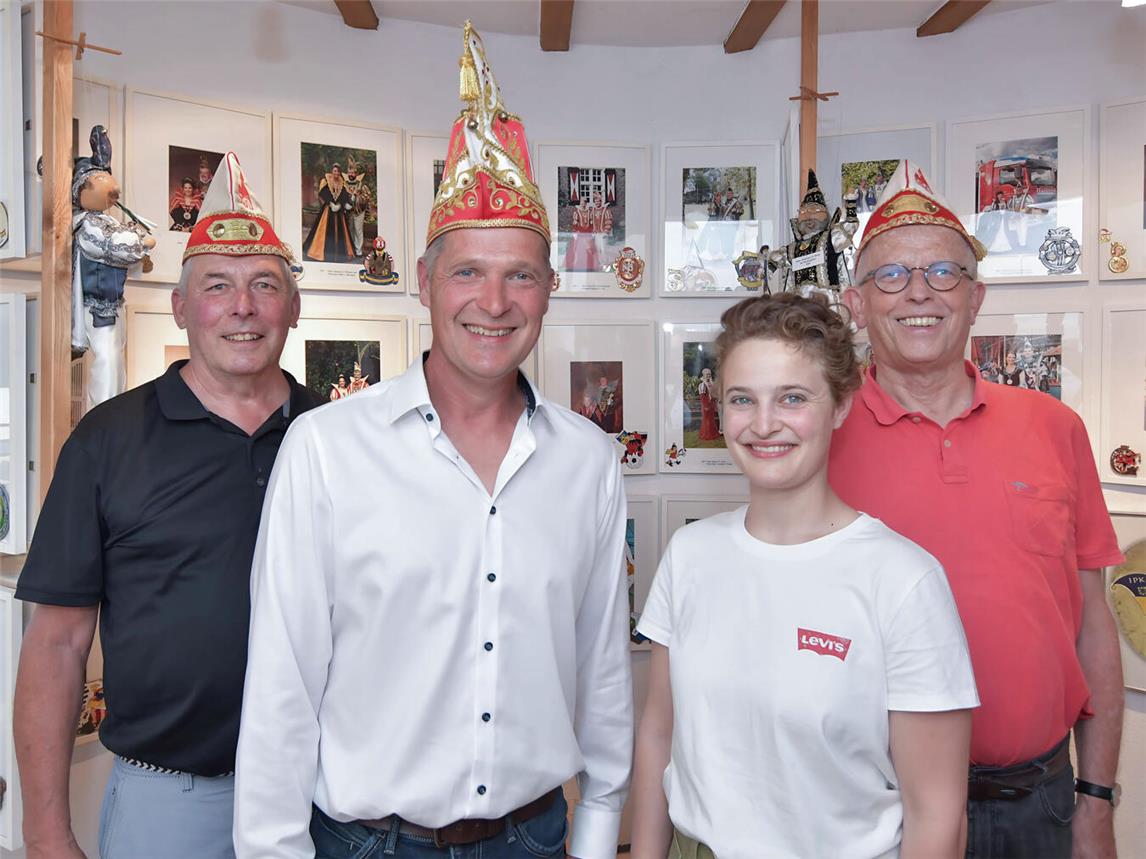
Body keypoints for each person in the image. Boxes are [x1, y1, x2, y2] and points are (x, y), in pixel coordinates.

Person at [234, 22, 632, 859]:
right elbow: (282, 686)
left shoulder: (587, 461)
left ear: (550, 290)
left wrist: (598, 837)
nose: (493, 300)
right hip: (368, 843)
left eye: (519, 273)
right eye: (466, 272)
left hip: (532, 838)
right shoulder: (327, 450)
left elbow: (602, 672)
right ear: (422, 282)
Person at [13, 152, 318, 859]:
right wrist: (45, 833)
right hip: (169, 804)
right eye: (217, 285)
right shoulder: (108, 440)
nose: (242, 307)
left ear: (293, 308)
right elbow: (56, 644)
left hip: (321, 795)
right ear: (181, 306)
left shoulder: (336, 438)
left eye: (264, 285)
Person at [831, 160, 1125, 858]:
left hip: (1038, 805)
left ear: (976, 296)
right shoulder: (821, 436)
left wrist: (1098, 803)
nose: (918, 294)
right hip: (872, 808)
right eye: (891, 276)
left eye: (943, 273)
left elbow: (1093, 625)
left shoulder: (1055, 427)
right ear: (856, 303)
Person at [631, 292, 979, 859]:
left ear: (841, 404)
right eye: (742, 400)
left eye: (792, 398)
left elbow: (936, 812)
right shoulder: (690, 554)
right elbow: (657, 734)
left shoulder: (902, 580)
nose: (764, 425)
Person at [303, 163, 355, 263]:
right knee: (324, 230)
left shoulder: (341, 182)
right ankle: (320, 253)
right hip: (328, 209)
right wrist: (330, 203)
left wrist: (341, 204)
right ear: (332, 171)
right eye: (335, 171)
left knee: (340, 231)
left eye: (338, 171)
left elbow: (344, 195)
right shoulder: (326, 180)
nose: (336, 173)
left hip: (339, 211)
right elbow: (323, 192)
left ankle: (339, 254)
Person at [696, 366, 720, 441]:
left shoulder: (710, 383)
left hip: (711, 404)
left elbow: (713, 394)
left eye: (709, 374)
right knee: (706, 420)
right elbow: (702, 397)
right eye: (707, 374)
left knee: (711, 420)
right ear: (703, 375)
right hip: (706, 405)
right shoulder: (702, 385)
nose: (709, 376)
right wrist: (706, 406)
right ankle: (706, 434)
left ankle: (712, 433)